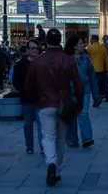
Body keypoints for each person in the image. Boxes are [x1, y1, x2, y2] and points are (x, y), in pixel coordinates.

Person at [25, 28, 84, 186]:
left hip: (45, 103)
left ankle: (51, 163)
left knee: (48, 136)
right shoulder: (68, 60)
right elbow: (78, 85)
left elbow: (28, 85)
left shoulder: (38, 61)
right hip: (63, 103)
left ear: (46, 41)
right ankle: (57, 170)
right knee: (61, 138)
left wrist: (35, 99)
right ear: (60, 40)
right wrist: (79, 105)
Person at [64, 35, 101, 149]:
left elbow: (92, 76)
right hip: (70, 91)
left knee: (83, 113)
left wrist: (96, 95)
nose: (82, 45)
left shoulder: (86, 58)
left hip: (84, 90)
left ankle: (87, 138)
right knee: (72, 115)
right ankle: (71, 140)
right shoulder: (66, 59)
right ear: (74, 45)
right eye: (80, 43)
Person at [12, 39, 43, 154]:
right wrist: (23, 90)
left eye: (37, 48)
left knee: (41, 123)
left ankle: (42, 146)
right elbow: (16, 80)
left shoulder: (42, 63)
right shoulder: (21, 64)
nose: (35, 50)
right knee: (28, 123)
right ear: (28, 50)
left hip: (40, 98)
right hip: (27, 98)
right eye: (33, 48)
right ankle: (29, 146)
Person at [87, 35, 108, 100]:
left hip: (93, 69)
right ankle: (102, 94)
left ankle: (97, 96)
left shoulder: (89, 48)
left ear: (93, 40)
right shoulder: (103, 48)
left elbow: (87, 59)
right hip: (101, 69)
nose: (90, 40)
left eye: (91, 39)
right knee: (101, 83)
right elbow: (107, 60)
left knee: (94, 84)